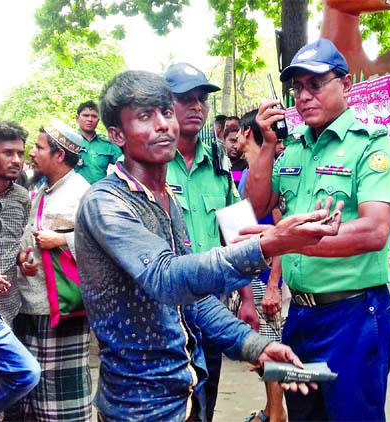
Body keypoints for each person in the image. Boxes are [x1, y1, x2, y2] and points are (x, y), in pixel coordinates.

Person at [75, 69, 343, 421]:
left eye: (165, 112)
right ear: (117, 135)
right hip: (140, 405)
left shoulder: (198, 175)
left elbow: (195, 298)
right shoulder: (106, 202)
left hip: (188, 385)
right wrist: (269, 243)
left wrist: (256, 346)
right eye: (145, 116)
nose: (164, 124)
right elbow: (166, 277)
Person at [245, 38, 390, 421]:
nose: (303, 96)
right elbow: (257, 205)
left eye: (315, 85)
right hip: (300, 315)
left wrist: (292, 241)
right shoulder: (295, 149)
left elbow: (374, 231)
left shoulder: (371, 147)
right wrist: (267, 145)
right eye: (297, 88)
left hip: (352, 314)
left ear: (345, 84)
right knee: (303, 415)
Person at [164, 62, 259, 420]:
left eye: (201, 99)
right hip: (166, 309)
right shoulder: (151, 162)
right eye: (185, 98)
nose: (196, 106)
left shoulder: (218, 164)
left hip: (212, 304)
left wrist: (247, 298)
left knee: (206, 401)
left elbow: (239, 235)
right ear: (165, 104)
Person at [13, 122, 93, 421]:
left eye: (39, 147)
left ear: (59, 156)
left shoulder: (82, 193)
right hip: (30, 304)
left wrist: (63, 239)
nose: (32, 153)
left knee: (61, 397)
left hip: (61, 309)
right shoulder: (40, 189)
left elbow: (101, 243)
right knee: (34, 391)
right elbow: (30, 236)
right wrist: (24, 257)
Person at [0, 121, 41, 421]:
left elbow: (13, 244)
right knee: (26, 373)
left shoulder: (22, 197)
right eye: (8, 152)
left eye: (20, 153)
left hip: (8, 307)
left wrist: (22, 261)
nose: (17, 160)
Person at [237, 108, 287, 422]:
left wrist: (273, 285)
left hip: (270, 276)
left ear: (247, 134)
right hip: (255, 274)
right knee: (264, 347)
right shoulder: (247, 175)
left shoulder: (269, 172)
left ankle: (277, 414)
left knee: (272, 347)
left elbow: (283, 233)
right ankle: (271, 410)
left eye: (237, 132)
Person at [74, 100, 123, 184]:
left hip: (99, 193)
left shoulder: (108, 145)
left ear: (98, 120)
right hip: (74, 193)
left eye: (94, 116)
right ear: (77, 118)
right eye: (85, 115)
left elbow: (126, 165)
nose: (89, 119)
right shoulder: (70, 142)